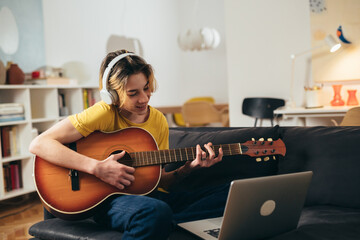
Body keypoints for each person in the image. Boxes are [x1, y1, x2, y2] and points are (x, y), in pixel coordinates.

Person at [29, 49, 229, 240]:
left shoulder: (158, 120)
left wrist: (188, 168)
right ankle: (161, 221)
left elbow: (157, 181)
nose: (144, 99)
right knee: (155, 211)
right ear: (112, 95)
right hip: (103, 200)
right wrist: (97, 168)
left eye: (147, 88)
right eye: (133, 93)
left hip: (143, 198)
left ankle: (165, 223)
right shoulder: (103, 113)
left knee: (229, 195)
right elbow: (39, 143)